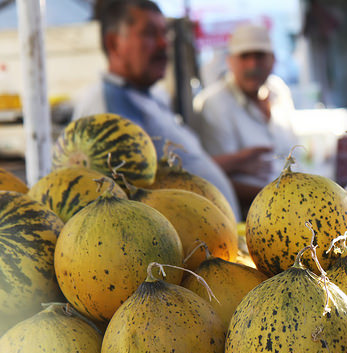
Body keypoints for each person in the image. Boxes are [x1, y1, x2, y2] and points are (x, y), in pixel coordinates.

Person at [72, 0, 241, 220]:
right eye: (150, 34)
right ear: (114, 43)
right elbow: (122, 198)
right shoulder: (106, 107)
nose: (164, 44)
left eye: (165, 34)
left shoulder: (148, 95)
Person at [192, 23, 298, 216]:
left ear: (273, 59)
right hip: (249, 216)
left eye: (259, 55)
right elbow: (213, 181)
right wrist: (281, 197)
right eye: (245, 56)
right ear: (230, 61)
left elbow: (294, 153)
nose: (252, 65)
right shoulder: (215, 103)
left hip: (293, 206)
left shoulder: (279, 91)